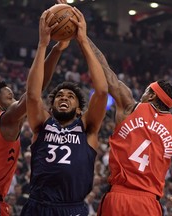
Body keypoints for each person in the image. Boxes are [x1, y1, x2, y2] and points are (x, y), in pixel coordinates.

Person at [0, 32, 69, 216]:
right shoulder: (5, 120)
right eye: (11, 98)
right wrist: (55, 50)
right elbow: (33, 92)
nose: (16, 101)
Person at [85, 39, 172, 215]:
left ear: (151, 95)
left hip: (117, 198)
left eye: (146, 90)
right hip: (148, 204)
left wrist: (83, 38)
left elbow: (106, 71)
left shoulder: (130, 107)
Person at [20, 7, 108, 216]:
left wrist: (83, 41)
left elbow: (102, 90)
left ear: (79, 109)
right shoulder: (42, 124)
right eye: (59, 96)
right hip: (38, 205)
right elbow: (32, 95)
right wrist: (44, 45)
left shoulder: (88, 129)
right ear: (51, 107)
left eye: (70, 97)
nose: (63, 98)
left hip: (72, 208)